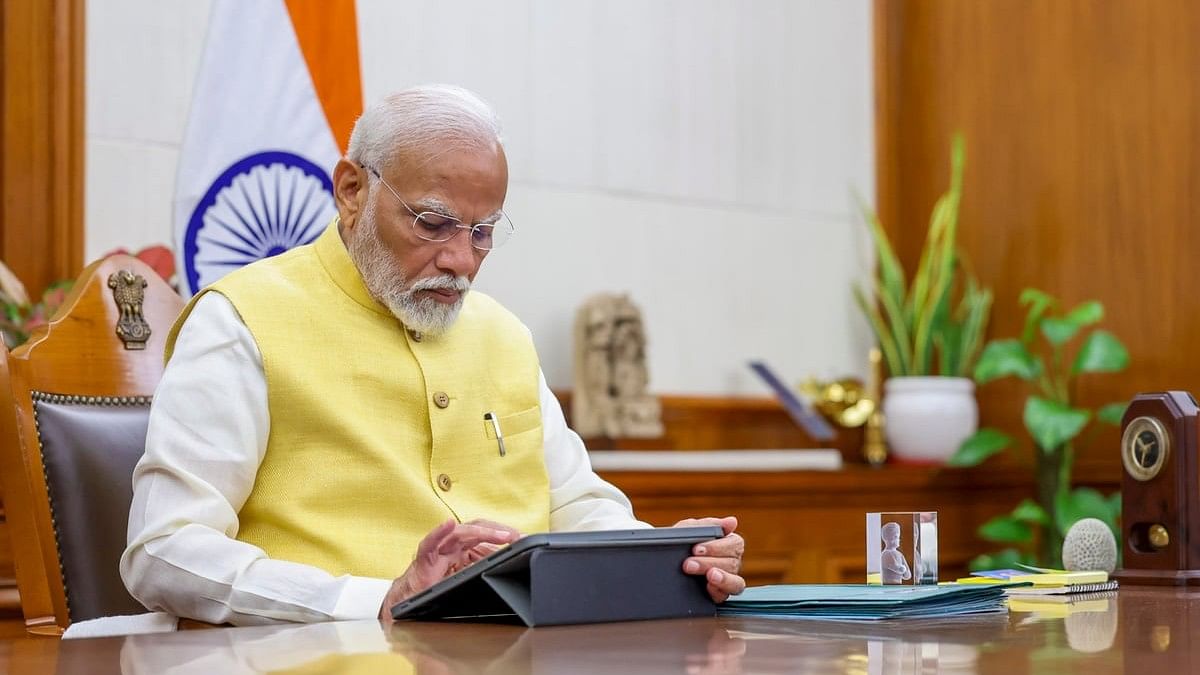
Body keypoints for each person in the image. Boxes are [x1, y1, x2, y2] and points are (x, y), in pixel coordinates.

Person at [121, 84, 746, 625]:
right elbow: (165, 549)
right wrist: (376, 601)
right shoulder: (242, 320)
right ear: (351, 190)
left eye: (482, 232)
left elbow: (576, 505)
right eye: (432, 223)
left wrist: (668, 556)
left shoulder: (503, 335)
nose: (461, 260)